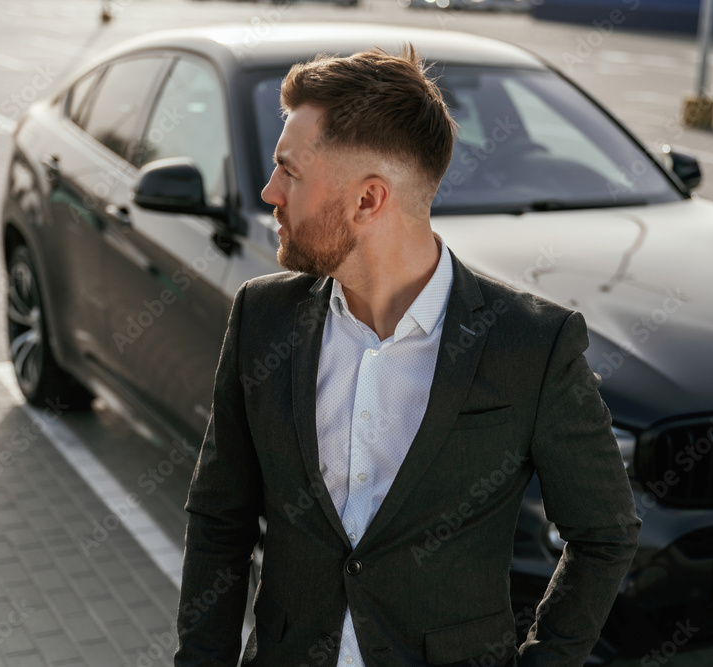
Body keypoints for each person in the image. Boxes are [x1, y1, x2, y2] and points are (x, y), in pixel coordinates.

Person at [174, 44, 641, 667]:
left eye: (289, 171)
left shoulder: (532, 345)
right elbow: (219, 520)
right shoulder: (263, 319)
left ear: (368, 200)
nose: (268, 191)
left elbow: (604, 533)